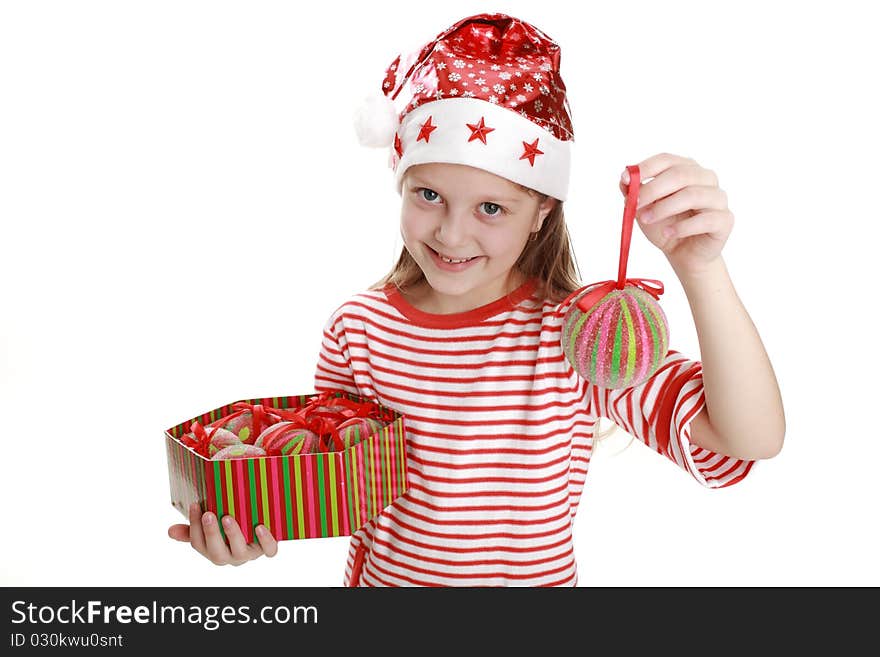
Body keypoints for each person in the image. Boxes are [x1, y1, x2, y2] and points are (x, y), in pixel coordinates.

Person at [168, 12, 785, 585]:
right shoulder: (357, 327)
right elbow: (333, 488)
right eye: (428, 194)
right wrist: (249, 521)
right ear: (400, 180)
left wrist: (699, 268)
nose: (451, 233)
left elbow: (749, 437)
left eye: (491, 207)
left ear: (542, 210)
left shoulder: (578, 334)